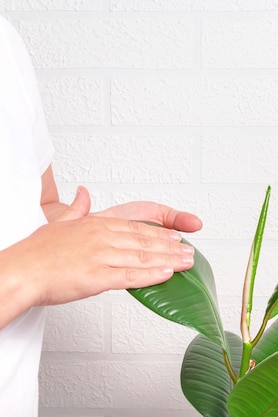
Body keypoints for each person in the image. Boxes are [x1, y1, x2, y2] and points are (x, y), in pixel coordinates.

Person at [0, 15, 202, 416]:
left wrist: (85, 237)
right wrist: (30, 269)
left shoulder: (4, 42)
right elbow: (30, 260)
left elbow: (37, 205)